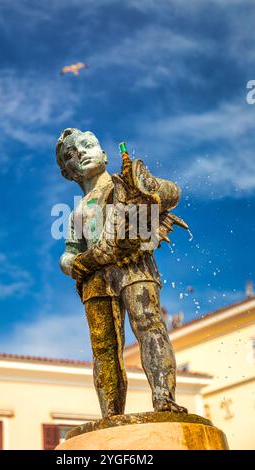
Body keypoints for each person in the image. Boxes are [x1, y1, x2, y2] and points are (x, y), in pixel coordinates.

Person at [56, 128, 187, 417]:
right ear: (70, 172)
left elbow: (172, 193)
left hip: (134, 264)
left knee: (149, 325)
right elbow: (68, 254)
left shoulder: (126, 184)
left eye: (88, 145)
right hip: (96, 278)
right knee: (104, 348)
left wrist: (147, 186)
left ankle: (164, 399)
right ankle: (111, 416)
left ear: (103, 153)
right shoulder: (77, 214)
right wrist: (78, 263)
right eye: (72, 155)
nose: (82, 154)